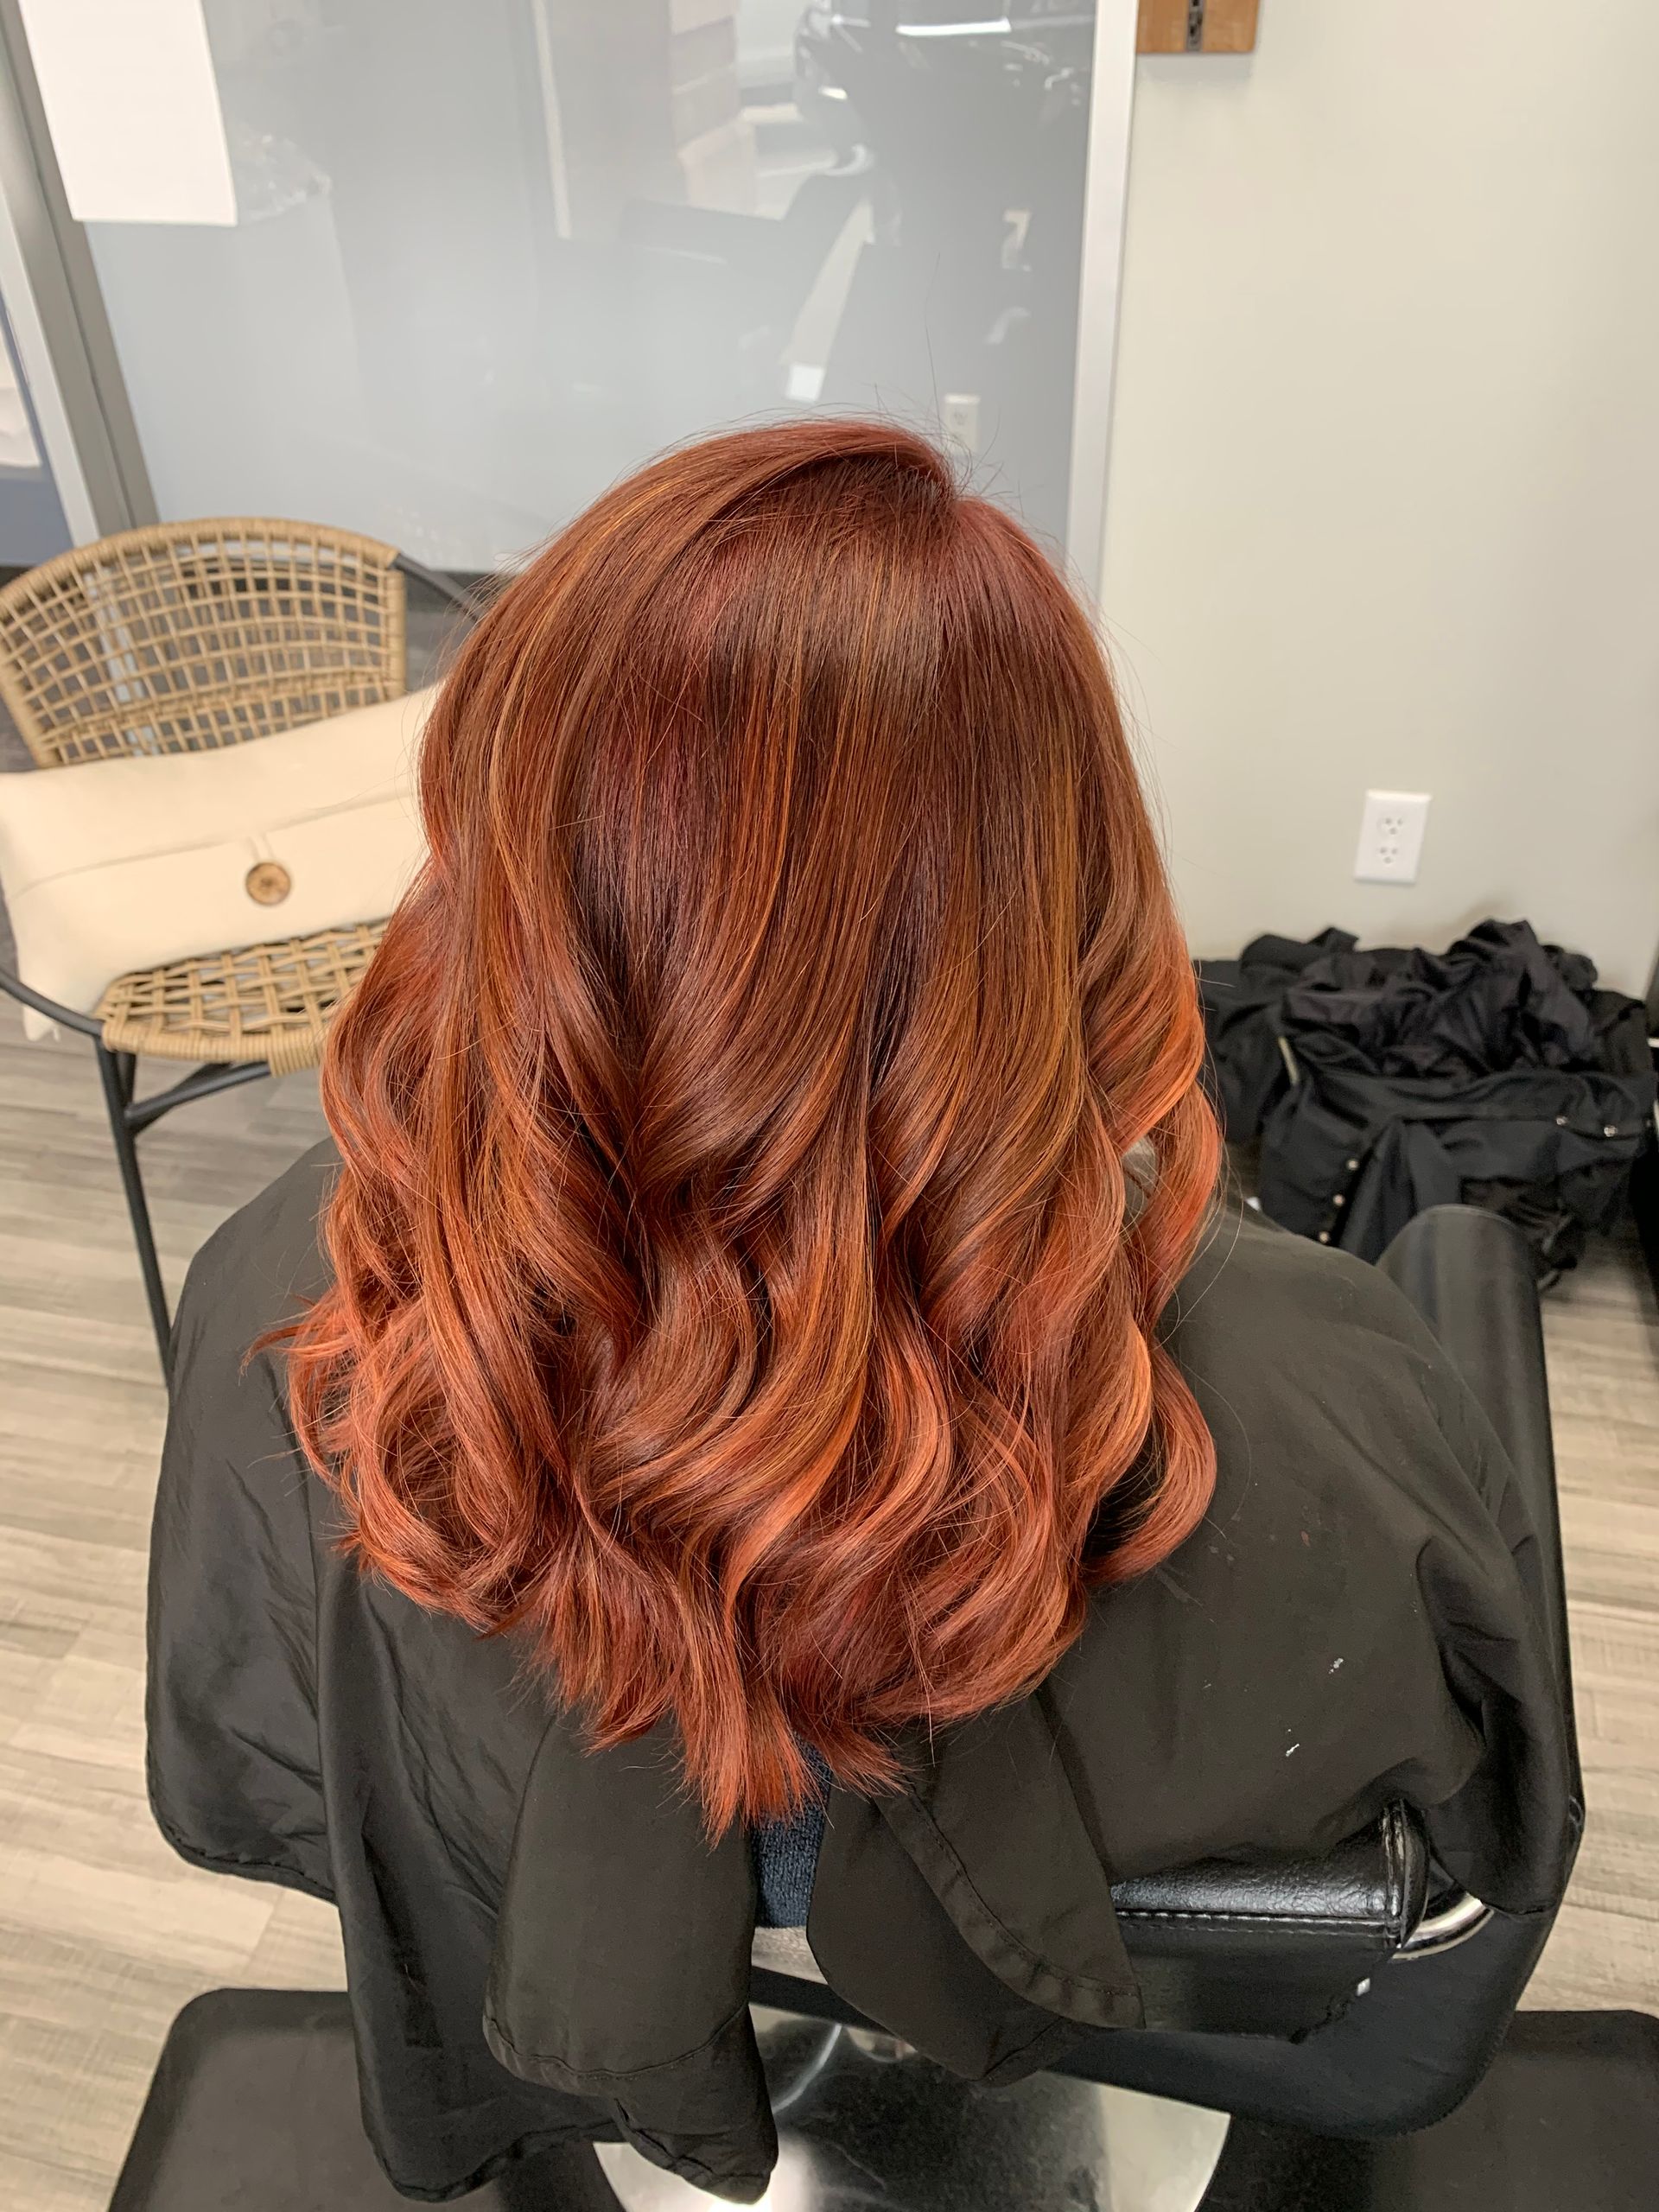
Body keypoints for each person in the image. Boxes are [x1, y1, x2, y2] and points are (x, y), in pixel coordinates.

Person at [149, 420, 1571, 2203]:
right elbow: (1442, 1859)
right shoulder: (1323, 1378)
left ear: (507, 854)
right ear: (1061, 869)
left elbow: (258, 1754)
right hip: (1097, 1987)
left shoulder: (295, 1296)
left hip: (582, 1957)